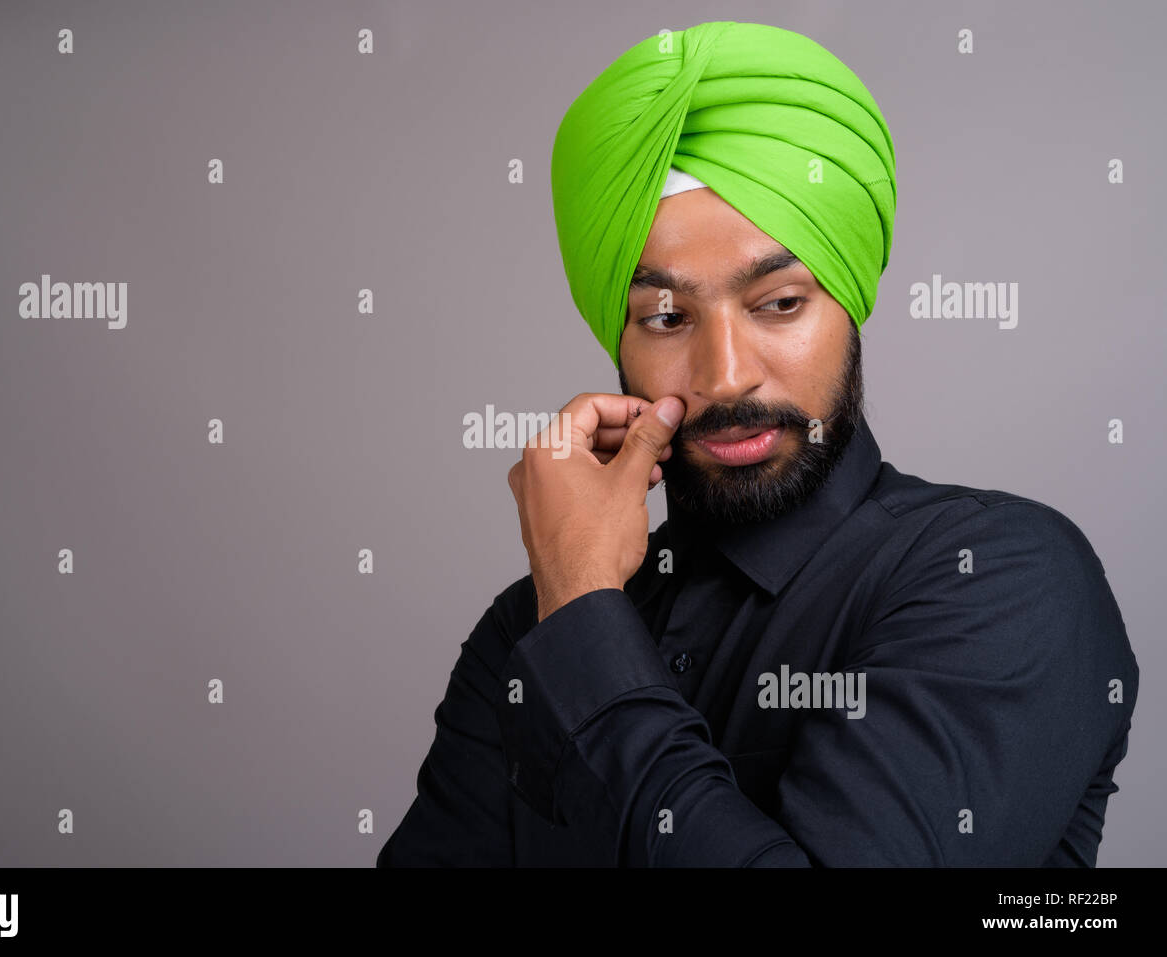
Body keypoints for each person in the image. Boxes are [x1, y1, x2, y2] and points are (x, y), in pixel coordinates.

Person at [377, 21, 1138, 866]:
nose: (727, 375)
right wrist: (578, 606)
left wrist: (587, 623)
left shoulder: (1003, 576)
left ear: (850, 303)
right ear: (617, 344)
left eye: (779, 302)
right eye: (667, 318)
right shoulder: (531, 626)